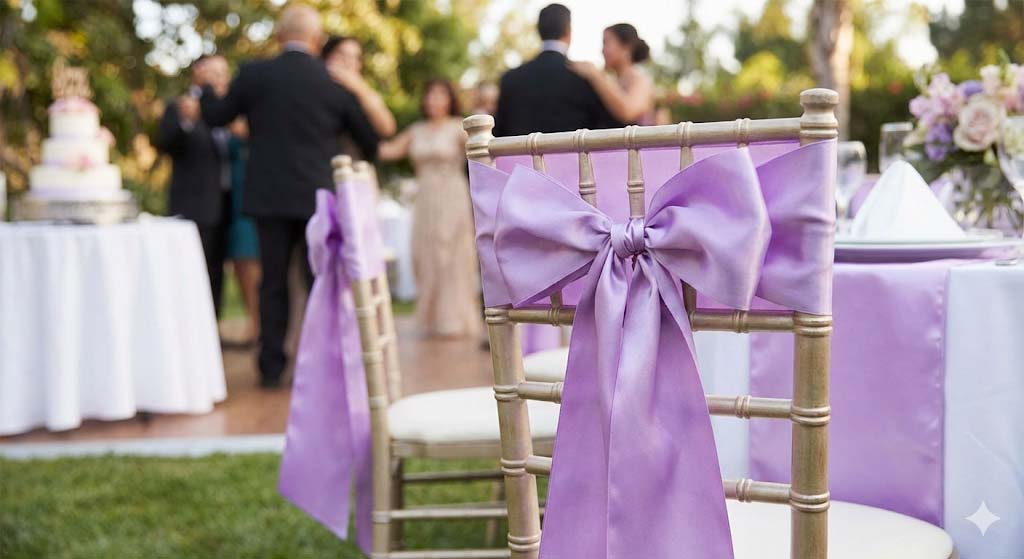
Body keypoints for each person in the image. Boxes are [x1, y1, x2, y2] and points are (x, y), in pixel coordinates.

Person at [195, 4, 380, 388]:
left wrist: (207, 89)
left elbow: (215, 116)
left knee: (273, 282)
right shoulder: (333, 82)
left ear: (279, 37)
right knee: (318, 281)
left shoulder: (254, 74)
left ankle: (271, 367)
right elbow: (370, 140)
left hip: (270, 196)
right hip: (318, 197)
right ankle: (324, 363)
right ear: (317, 39)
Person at [377, 79, 481, 338]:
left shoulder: (458, 126)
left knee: (452, 253)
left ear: (450, 99)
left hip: (452, 195)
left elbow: (483, 151)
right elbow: (387, 151)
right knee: (424, 254)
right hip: (425, 198)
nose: (434, 100)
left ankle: (455, 320)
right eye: (430, 94)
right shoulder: (416, 130)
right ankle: (432, 319)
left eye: (440, 94)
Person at [155, 54, 232, 317]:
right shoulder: (179, 106)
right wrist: (186, 122)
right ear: (197, 72)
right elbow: (166, 144)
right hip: (194, 204)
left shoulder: (229, 111)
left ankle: (213, 327)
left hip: (228, 203)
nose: (219, 78)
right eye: (213, 72)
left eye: (223, 73)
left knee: (217, 271)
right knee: (191, 268)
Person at [492, 3, 620, 136]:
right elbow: (606, 128)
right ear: (568, 30)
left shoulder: (510, 79)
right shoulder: (586, 77)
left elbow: (500, 132)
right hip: (572, 150)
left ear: (539, 31)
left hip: (520, 150)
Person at [321, 35, 396, 156]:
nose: (348, 62)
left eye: (355, 57)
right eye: (341, 54)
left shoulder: (363, 92)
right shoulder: (317, 86)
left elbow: (387, 129)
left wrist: (360, 89)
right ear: (327, 56)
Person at [569, 23, 656, 125]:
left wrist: (595, 75)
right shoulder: (611, 80)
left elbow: (628, 113)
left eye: (606, 43)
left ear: (626, 47)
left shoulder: (641, 80)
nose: (602, 51)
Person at [225, 117, 261, 347]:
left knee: (249, 258)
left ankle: (257, 325)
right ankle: (253, 319)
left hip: (251, 194)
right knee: (239, 261)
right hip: (231, 197)